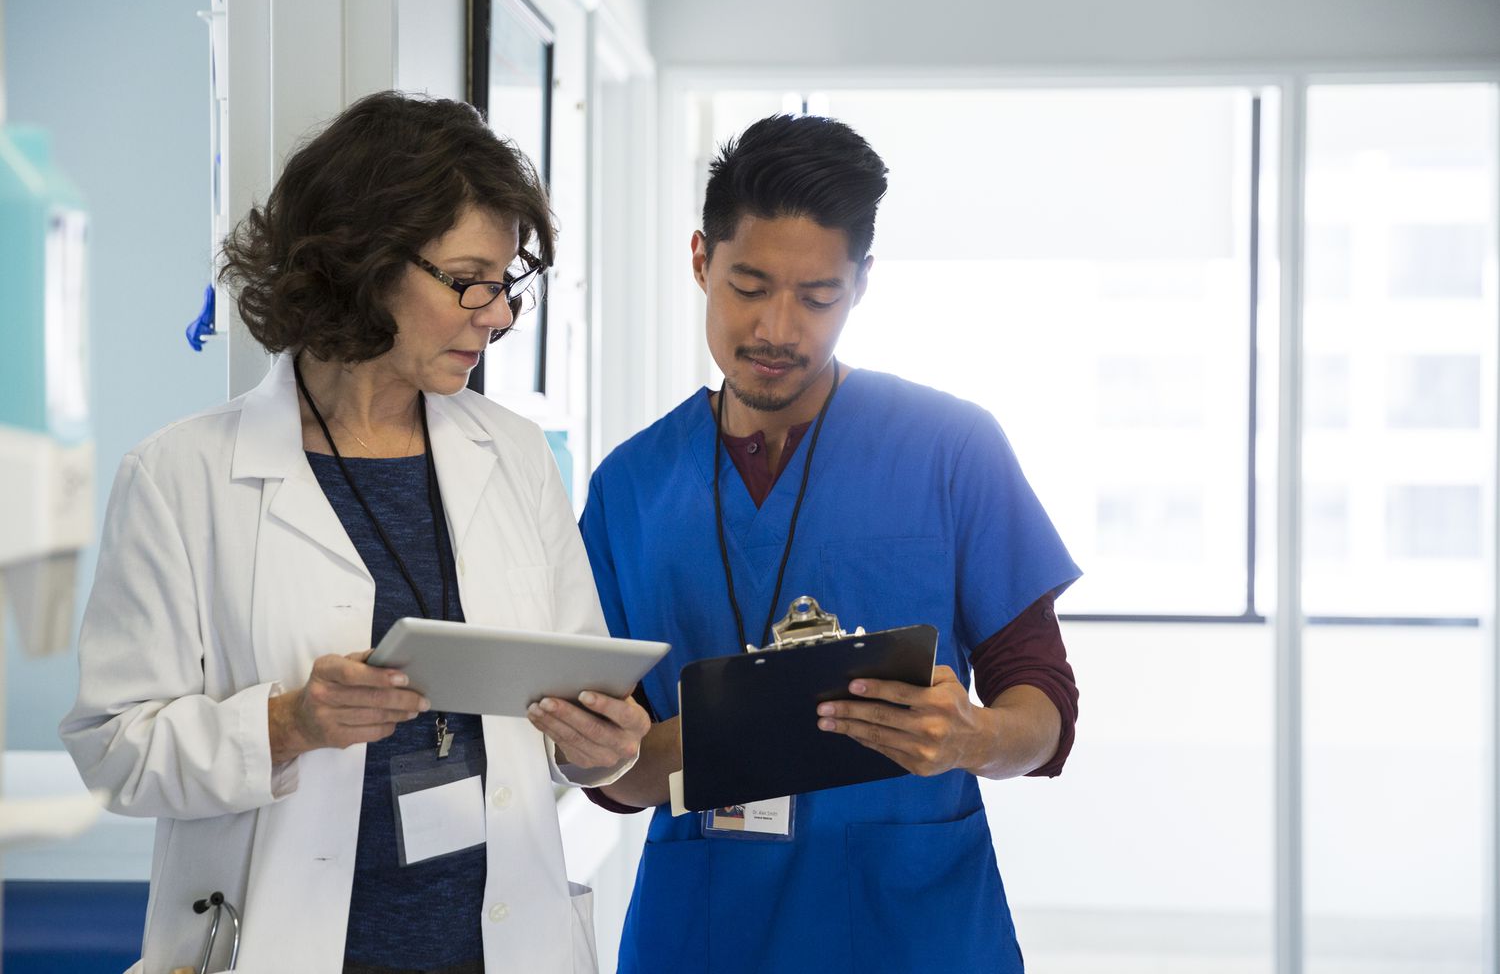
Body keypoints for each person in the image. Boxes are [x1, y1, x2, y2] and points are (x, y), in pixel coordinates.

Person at [59, 91, 649, 974]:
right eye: (469, 280)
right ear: (365, 260)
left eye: (507, 285)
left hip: (502, 947)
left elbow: (570, 698)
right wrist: (288, 723)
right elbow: (114, 751)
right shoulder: (183, 477)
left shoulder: (515, 456)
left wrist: (597, 745)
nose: (497, 315)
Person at [564, 114, 1082, 973]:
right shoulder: (631, 487)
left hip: (914, 923)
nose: (777, 329)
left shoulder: (952, 446)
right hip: (707, 926)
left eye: (817, 298)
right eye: (749, 285)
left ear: (862, 284)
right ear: (701, 260)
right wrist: (649, 749)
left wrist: (973, 739)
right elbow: (615, 777)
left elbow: (1045, 706)